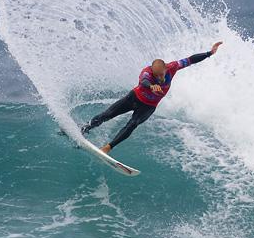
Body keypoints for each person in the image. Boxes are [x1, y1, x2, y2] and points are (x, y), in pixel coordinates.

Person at [82, 41, 223, 154]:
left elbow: (191, 60)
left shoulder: (172, 66)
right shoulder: (146, 72)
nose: (160, 78)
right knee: (107, 115)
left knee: (132, 124)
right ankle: (84, 129)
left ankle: (108, 147)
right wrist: (150, 86)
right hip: (134, 98)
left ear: (166, 69)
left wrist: (209, 53)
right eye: (157, 76)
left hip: (148, 107)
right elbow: (144, 81)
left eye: (162, 74)